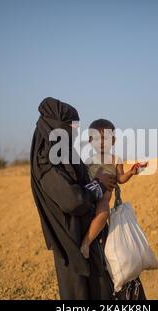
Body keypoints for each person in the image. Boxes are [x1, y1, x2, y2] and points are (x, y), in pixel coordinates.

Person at [30, 97, 117, 300]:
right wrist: (99, 185)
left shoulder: (62, 154)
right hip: (71, 241)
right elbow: (73, 200)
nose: (75, 132)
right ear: (56, 126)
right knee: (80, 294)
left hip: (84, 235)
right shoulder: (47, 162)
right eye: (72, 126)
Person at [79, 119, 146, 259]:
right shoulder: (88, 160)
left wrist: (131, 173)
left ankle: (86, 242)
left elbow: (120, 179)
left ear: (113, 141)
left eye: (106, 138)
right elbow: (83, 180)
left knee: (103, 215)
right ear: (90, 141)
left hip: (104, 197)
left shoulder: (116, 159)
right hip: (89, 196)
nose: (101, 142)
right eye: (96, 138)